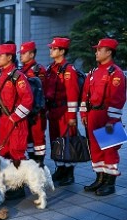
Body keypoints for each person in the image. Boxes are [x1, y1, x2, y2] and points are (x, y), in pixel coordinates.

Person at [80, 38, 126, 196]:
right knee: (95, 149)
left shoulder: (116, 73)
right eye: (96, 49)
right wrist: (84, 114)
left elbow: (118, 99)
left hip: (108, 116)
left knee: (110, 150)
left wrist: (112, 121)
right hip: (94, 115)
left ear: (109, 52)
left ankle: (110, 182)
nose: (96, 52)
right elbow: (85, 94)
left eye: (99, 49)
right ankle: (99, 179)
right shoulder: (93, 72)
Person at [0, 43, 33, 199]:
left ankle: (19, 188)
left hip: (15, 121)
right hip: (5, 119)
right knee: (4, 152)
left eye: (1, 55)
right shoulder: (2, 74)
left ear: (9, 57)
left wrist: (15, 117)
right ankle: (10, 183)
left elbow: (28, 99)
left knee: (17, 152)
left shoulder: (17, 76)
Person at [45, 37, 80, 186]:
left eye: (54, 48)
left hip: (65, 111)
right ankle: (60, 169)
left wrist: (72, 116)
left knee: (67, 142)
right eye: (51, 48)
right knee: (56, 141)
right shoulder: (50, 68)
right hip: (53, 111)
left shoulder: (68, 70)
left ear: (62, 51)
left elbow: (72, 94)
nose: (51, 50)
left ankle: (69, 173)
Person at [19, 41, 47, 165]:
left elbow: (41, 92)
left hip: (37, 112)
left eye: (24, 53)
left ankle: (39, 164)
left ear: (32, 54)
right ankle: (32, 163)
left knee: (38, 139)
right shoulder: (21, 70)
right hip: (27, 111)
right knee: (29, 139)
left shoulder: (38, 70)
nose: (21, 55)